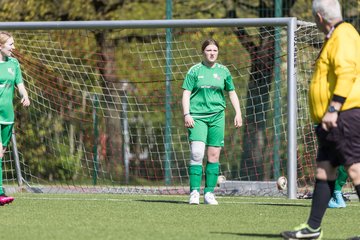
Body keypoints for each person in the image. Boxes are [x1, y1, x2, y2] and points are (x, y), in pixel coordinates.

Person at [281, 0, 360, 239]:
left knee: (355, 170)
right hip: (331, 122)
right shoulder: (335, 36)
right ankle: (313, 228)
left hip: (343, 116)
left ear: (319, 17)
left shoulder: (344, 34)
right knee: (325, 171)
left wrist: (334, 107)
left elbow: (347, 71)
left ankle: (313, 228)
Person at [182, 39, 242, 205]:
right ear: (203, 52)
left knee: (214, 155)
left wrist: (238, 113)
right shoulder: (194, 71)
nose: (212, 53)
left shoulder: (224, 71)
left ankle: (209, 193)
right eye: (209, 50)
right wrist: (187, 114)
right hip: (197, 116)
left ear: (218, 52)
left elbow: (231, 93)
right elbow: (186, 93)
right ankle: (194, 192)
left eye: (214, 50)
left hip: (217, 116)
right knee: (197, 153)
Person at [0, 31, 30, 206]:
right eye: (11, 44)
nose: (14, 47)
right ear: (1, 46)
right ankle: (0, 192)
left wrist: (24, 96)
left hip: (7, 116)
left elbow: (20, 85)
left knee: (1, 155)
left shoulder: (14, 64)